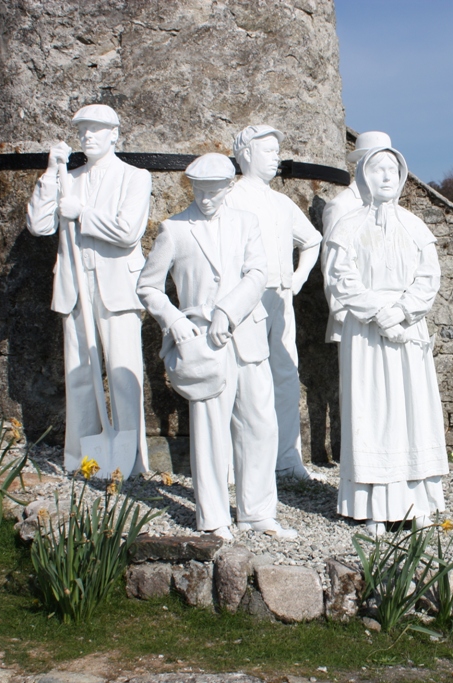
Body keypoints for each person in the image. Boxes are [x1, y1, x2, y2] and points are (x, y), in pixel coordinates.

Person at [137, 153, 296, 540]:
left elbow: (258, 272)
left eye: (214, 191)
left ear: (229, 187)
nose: (206, 198)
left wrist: (229, 311)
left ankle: (257, 511)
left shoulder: (246, 223)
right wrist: (175, 321)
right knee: (210, 431)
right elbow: (147, 287)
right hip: (203, 343)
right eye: (200, 190)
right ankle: (212, 517)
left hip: (247, 335)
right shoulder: (174, 229)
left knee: (260, 424)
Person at [322, 145, 449, 536]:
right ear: (363, 176)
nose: (385, 176)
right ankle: (373, 505)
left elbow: (428, 278)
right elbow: (341, 278)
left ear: (402, 176)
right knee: (372, 412)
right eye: (377, 169)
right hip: (366, 335)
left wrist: (403, 312)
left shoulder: (414, 227)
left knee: (414, 413)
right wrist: (379, 313)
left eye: (392, 169)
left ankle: (421, 502)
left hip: (407, 333)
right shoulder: (348, 226)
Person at [26, 104, 150, 474]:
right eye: (82, 130)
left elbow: (129, 231)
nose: (87, 136)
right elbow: (38, 225)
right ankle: (81, 457)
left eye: (96, 129)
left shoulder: (135, 176)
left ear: (114, 133)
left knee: (124, 370)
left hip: (116, 284)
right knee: (80, 373)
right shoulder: (68, 179)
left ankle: (131, 459)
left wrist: (82, 213)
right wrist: (51, 174)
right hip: (76, 283)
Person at [226, 125, 322, 480]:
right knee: (244, 375)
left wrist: (297, 278)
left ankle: (287, 456)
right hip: (247, 299)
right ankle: (244, 458)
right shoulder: (231, 198)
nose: (276, 158)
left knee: (284, 373)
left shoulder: (282, 203)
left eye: (276, 151)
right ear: (247, 153)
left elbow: (312, 240)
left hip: (280, 297)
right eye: (269, 151)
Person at [321, 130, 392, 343]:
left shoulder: (389, 207)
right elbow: (330, 262)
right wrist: (341, 311)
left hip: (388, 315)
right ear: (361, 163)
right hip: (353, 315)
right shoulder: (342, 206)